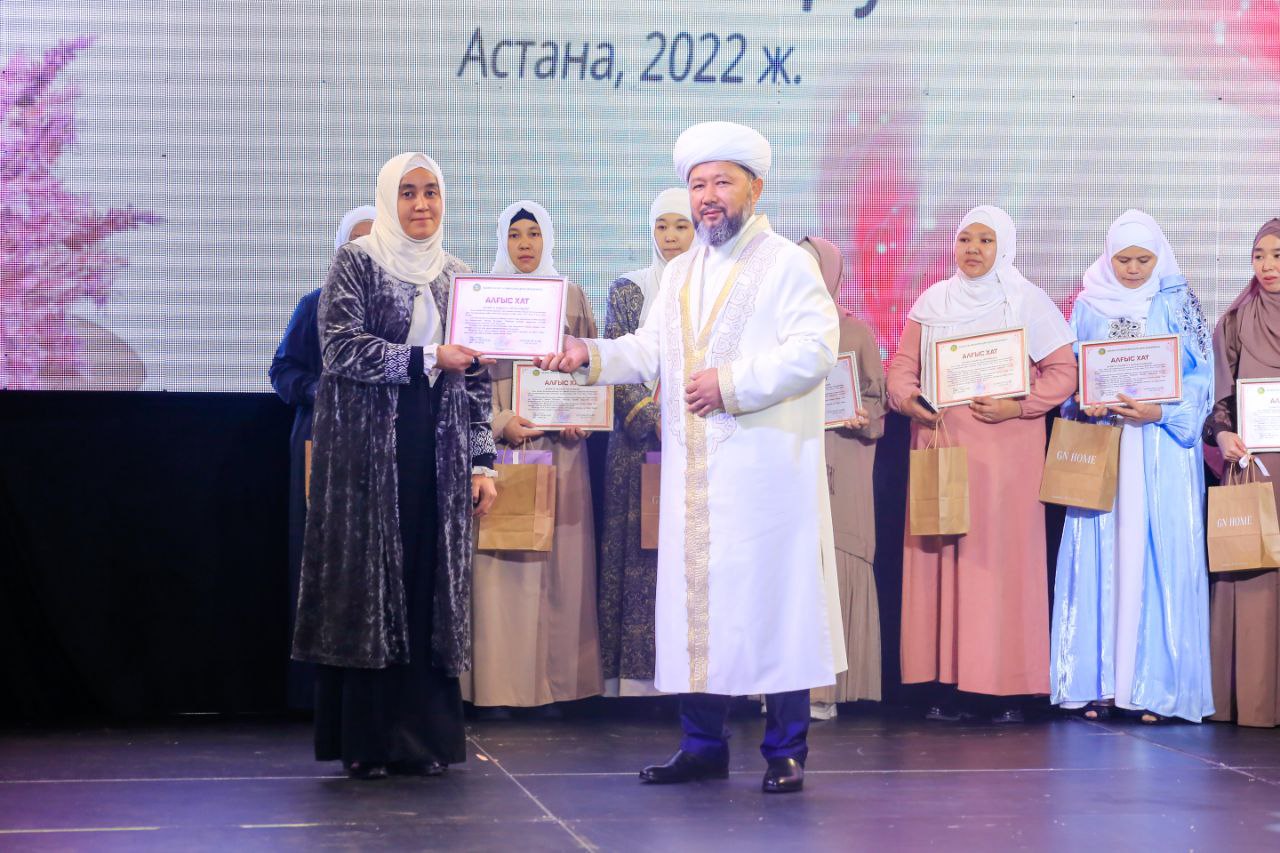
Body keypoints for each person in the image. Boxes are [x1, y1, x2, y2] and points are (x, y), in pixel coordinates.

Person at [538, 121, 844, 794]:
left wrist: (731, 384)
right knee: (699, 606)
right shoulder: (680, 272)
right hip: (695, 478)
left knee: (773, 603)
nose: (708, 197)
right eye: (698, 184)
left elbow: (817, 348)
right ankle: (702, 746)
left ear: (755, 189)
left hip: (765, 474)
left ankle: (785, 750)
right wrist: (589, 355)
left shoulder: (787, 264)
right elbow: (648, 350)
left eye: (721, 182)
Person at [292, 153, 498, 780]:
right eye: (407, 193)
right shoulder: (356, 262)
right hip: (366, 452)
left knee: (427, 582)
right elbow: (340, 349)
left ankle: (424, 740)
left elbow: (477, 380)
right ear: (388, 199)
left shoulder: (457, 276)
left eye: (431, 191)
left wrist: (483, 461)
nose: (421, 204)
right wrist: (428, 357)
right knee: (370, 586)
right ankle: (368, 741)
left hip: (439, 447)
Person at [887, 205, 1077, 723]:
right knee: (943, 562)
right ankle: (946, 685)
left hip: (1006, 456)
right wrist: (908, 399)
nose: (972, 249)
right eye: (965, 239)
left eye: (985, 240)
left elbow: (1063, 372)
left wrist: (1019, 406)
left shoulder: (1026, 301)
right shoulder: (933, 301)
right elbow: (902, 367)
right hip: (942, 446)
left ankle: (1003, 688)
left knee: (997, 566)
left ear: (1004, 248)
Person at [1051, 210, 1214, 724]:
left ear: (1158, 257)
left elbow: (1202, 378)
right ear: (1109, 256)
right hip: (1108, 444)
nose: (1133, 268)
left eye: (1144, 259)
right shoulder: (1088, 304)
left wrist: (1160, 411)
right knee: (1106, 554)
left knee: (1158, 554)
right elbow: (1073, 372)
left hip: (1161, 447)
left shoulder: (1178, 302)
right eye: (1123, 259)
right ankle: (1098, 684)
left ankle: (1158, 690)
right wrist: (1084, 400)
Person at [464, 200, 604, 716]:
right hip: (502, 449)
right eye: (515, 234)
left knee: (558, 566)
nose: (525, 244)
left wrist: (582, 416)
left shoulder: (572, 296)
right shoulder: (484, 298)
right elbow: (467, 382)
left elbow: (590, 371)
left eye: (534, 233)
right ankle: (500, 689)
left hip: (560, 450)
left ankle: (554, 688)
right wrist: (499, 422)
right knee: (503, 566)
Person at [270, 204, 375, 711]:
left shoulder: (404, 310)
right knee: (324, 565)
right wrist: (320, 392)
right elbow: (283, 372)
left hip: (384, 447)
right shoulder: (315, 305)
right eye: (355, 244)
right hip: (323, 442)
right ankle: (319, 695)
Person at [599, 188, 694, 697]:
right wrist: (654, 419)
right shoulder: (629, 289)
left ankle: (694, 681)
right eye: (662, 226)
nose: (671, 237)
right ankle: (638, 683)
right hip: (638, 451)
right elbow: (619, 361)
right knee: (638, 558)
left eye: (681, 226)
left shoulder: (711, 288)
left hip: (699, 442)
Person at [799, 236, 885, 719]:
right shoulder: (772, 329)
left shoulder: (855, 332)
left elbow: (876, 399)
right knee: (790, 564)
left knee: (835, 558)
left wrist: (862, 416)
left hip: (842, 456)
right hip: (788, 455)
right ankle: (782, 689)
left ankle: (824, 690)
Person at [1203, 217, 1280, 728]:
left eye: (1277, 255)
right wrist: (1223, 435)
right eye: (1259, 256)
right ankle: (1254, 699)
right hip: (1256, 466)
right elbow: (1219, 401)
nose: (1267, 266)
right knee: (1257, 579)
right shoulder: (1236, 319)